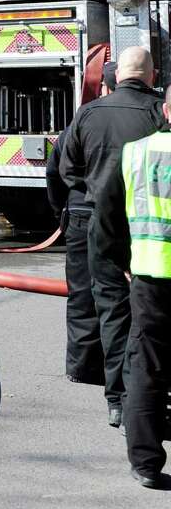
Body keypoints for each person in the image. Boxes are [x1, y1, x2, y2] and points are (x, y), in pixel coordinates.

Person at [59, 46, 162, 429]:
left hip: (97, 225)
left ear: (117, 76)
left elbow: (68, 170)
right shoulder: (158, 113)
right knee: (149, 313)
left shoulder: (87, 114)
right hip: (149, 228)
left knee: (109, 309)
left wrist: (95, 201)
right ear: (152, 76)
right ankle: (149, 395)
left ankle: (118, 399)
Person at [95, 87, 171, 489]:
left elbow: (106, 217)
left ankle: (145, 462)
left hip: (150, 274)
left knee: (146, 365)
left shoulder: (136, 152)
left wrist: (120, 260)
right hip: (149, 272)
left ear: (167, 109)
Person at [46, 62, 117, 392]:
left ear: (104, 86)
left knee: (82, 294)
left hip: (82, 215)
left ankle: (83, 368)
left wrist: (62, 208)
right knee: (124, 297)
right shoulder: (153, 114)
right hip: (131, 219)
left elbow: (56, 167)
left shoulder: (84, 118)